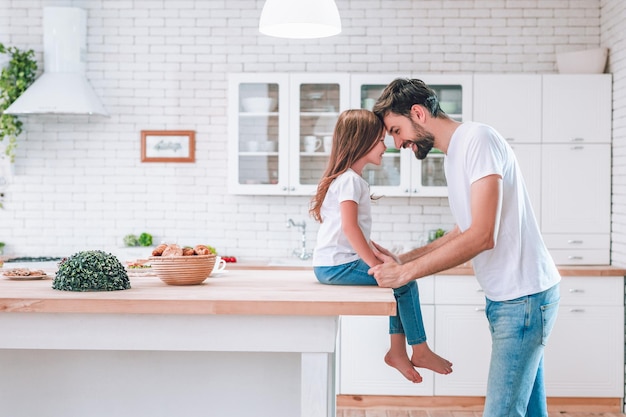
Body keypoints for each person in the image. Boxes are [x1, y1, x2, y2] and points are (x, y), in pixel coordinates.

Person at [368, 78, 561, 417]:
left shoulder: (478, 139)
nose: (398, 143)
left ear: (418, 113)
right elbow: (462, 231)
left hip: (524, 300)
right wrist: (403, 259)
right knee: (528, 410)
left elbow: (483, 235)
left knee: (502, 412)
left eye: (397, 130)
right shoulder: (453, 155)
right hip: (509, 299)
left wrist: (405, 273)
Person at [309, 109, 453, 383]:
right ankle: (417, 350)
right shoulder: (350, 180)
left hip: (331, 265)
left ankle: (398, 352)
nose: (385, 146)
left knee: (399, 278)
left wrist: (378, 254)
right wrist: (377, 266)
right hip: (338, 266)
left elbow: (350, 230)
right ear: (360, 142)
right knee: (404, 282)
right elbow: (350, 229)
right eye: (379, 140)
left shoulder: (348, 179)